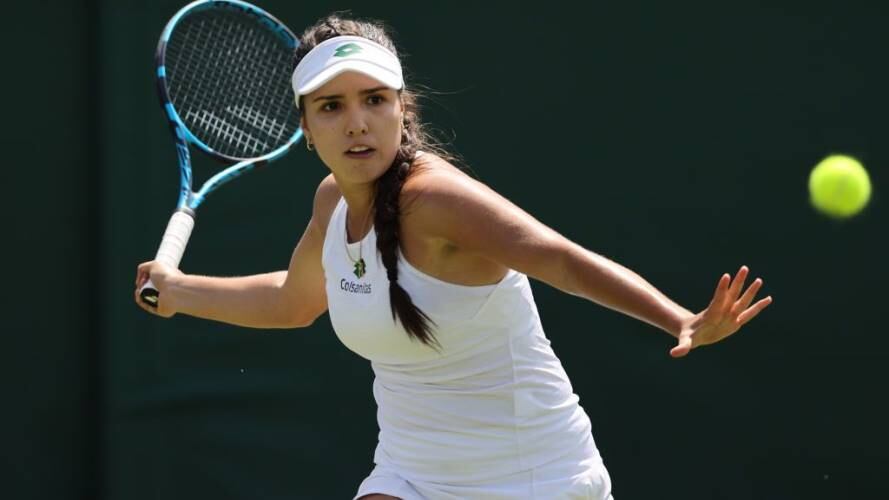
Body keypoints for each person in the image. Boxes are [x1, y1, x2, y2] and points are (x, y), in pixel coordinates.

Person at [135, 14, 772, 500]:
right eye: (332, 106)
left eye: (374, 99)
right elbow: (292, 302)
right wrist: (180, 291)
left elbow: (561, 260)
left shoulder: (438, 200)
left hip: (537, 481)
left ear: (401, 107)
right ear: (306, 126)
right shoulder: (332, 202)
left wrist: (677, 318)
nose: (357, 123)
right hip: (411, 476)